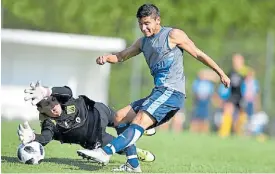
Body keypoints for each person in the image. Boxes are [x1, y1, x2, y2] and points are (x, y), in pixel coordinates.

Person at [77, 3, 230, 172]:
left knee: (139, 120)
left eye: (147, 23)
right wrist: (106, 57)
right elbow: (121, 56)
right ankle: (132, 164)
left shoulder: (172, 35)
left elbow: (198, 53)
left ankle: (105, 152)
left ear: (158, 20)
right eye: (140, 24)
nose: (143, 28)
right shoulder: (143, 43)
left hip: (172, 92)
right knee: (120, 118)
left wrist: (220, 72)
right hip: (159, 92)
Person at [17, 81, 156, 163]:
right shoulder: (50, 123)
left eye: (53, 100)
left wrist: (47, 91)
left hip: (99, 112)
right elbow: (46, 137)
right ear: (40, 109)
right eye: (47, 104)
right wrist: (34, 137)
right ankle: (138, 152)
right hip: (94, 138)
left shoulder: (64, 99)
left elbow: (67, 91)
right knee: (119, 146)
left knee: (122, 120)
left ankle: (142, 125)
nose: (53, 105)